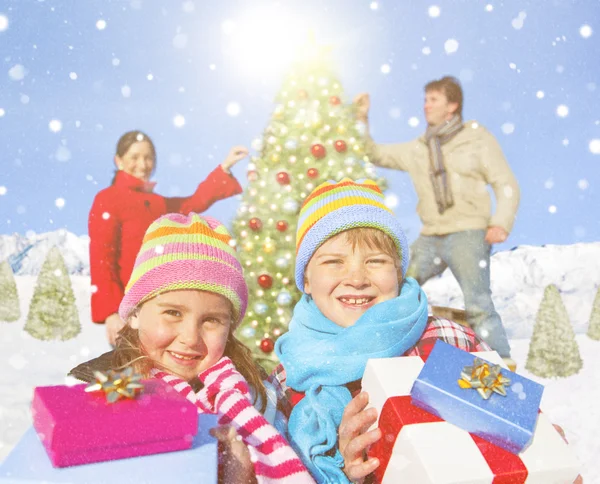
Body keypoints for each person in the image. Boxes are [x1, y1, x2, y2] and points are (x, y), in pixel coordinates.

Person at [271, 178, 492, 483]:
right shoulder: (287, 382)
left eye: (375, 261)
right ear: (306, 281)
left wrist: (539, 439)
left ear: (398, 272)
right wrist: (346, 475)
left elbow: (513, 417)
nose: (357, 278)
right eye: (333, 262)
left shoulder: (446, 341)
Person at [70, 212, 315, 484]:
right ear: (136, 314)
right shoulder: (96, 392)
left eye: (211, 320)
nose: (190, 338)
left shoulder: (257, 398)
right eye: (173, 313)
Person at [354, 76, 520, 360]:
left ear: (452, 106)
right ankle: (384, 354)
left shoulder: (477, 139)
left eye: (433, 100)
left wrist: (501, 222)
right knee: (392, 284)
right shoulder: (418, 149)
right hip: (431, 236)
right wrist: (361, 117)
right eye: (425, 99)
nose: (426, 105)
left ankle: (502, 368)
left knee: (478, 303)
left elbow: (506, 183)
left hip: (468, 232)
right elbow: (374, 153)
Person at [89, 130, 247, 345]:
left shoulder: (159, 205)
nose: (143, 164)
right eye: (134, 157)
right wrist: (111, 313)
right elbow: (101, 259)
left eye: (148, 158)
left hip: (164, 306)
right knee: (136, 375)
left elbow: (193, 203)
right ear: (119, 161)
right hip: (130, 312)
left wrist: (224, 168)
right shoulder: (107, 200)